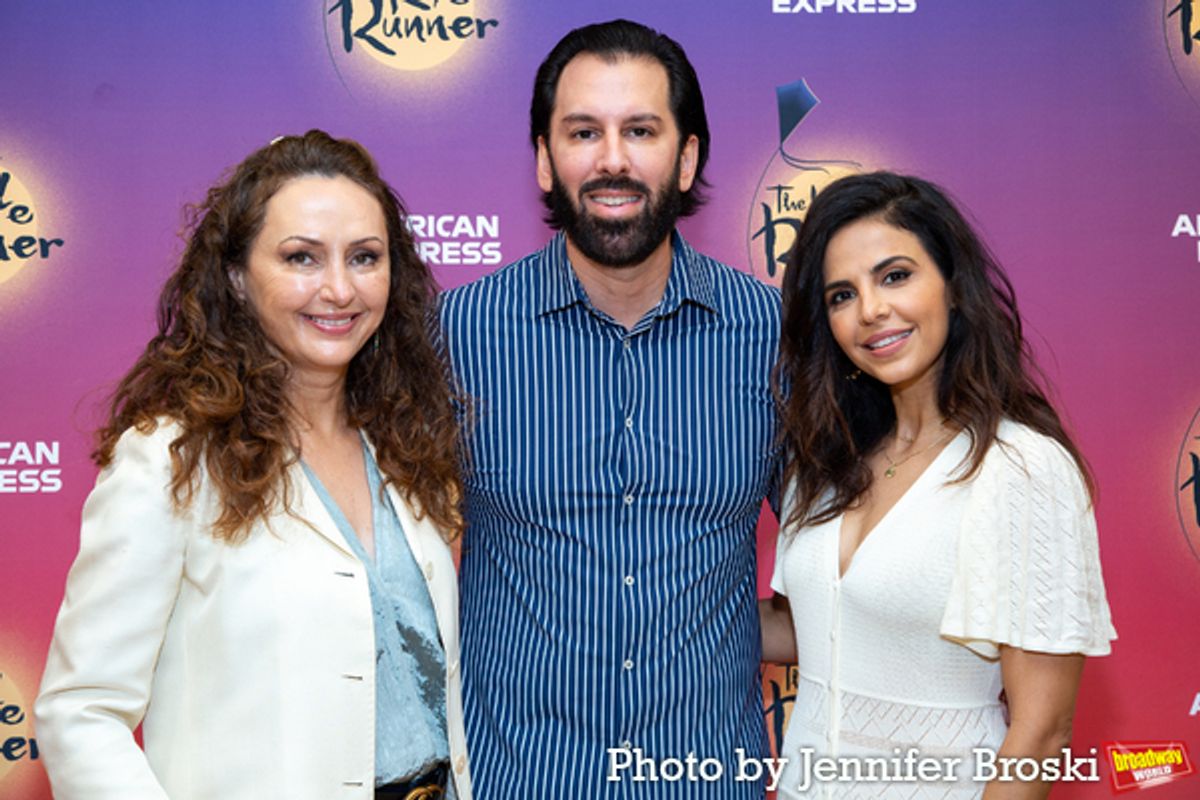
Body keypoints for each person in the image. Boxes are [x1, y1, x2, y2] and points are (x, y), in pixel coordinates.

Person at [35, 130, 472, 800]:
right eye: (301, 258)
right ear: (237, 279)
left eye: (364, 257)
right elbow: (80, 712)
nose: (339, 288)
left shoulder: (404, 443)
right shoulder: (170, 459)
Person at [437, 19, 781, 800]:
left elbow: (843, 565)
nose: (613, 159)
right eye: (584, 132)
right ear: (544, 159)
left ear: (687, 157)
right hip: (513, 780)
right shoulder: (456, 334)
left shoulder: (773, 335)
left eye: (641, 131)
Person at [761, 171, 1116, 799]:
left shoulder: (1020, 469)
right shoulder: (824, 464)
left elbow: (1040, 734)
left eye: (895, 276)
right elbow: (811, 626)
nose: (871, 310)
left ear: (953, 287)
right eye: (842, 294)